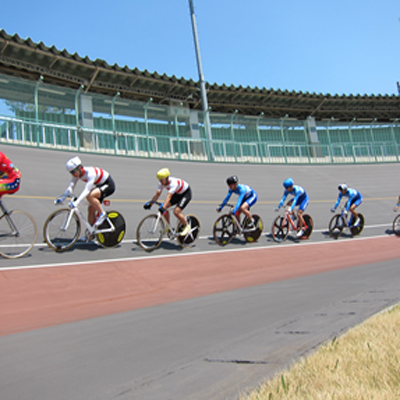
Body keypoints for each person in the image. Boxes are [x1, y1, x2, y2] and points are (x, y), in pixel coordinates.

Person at [56, 156, 116, 227]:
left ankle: (102, 214)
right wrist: (62, 198)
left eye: (73, 171)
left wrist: (77, 203)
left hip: (108, 185)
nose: (72, 174)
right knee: (91, 209)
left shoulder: (90, 173)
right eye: (71, 172)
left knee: (90, 196)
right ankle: (90, 233)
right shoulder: (77, 174)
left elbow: (87, 190)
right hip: (100, 186)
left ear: (79, 168)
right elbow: (71, 187)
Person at [144, 168, 191, 236]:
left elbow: (169, 196)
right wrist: (150, 203)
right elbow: (157, 194)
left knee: (176, 212)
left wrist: (163, 207)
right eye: (159, 180)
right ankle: (168, 227)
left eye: (162, 180)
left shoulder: (173, 183)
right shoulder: (161, 183)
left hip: (185, 194)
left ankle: (186, 226)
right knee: (165, 208)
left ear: (167, 178)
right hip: (177, 194)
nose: (161, 182)